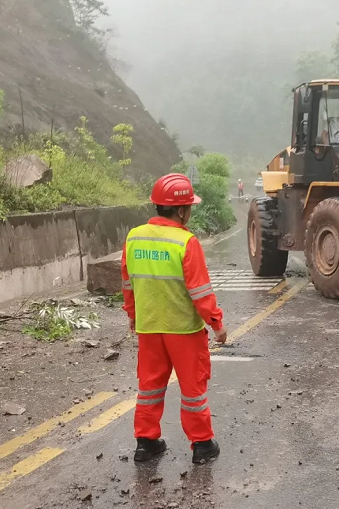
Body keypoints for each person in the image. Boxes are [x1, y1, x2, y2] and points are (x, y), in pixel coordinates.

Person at [121, 173, 227, 465]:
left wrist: (132, 315)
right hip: (183, 330)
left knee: (150, 387)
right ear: (181, 210)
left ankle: (146, 442)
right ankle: (202, 445)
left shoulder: (134, 237)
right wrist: (217, 324)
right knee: (193, 389)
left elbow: (128, 283)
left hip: (149, 327)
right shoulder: (186, 241)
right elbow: (201, 291)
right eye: (189, 206)